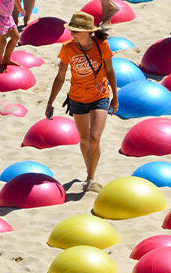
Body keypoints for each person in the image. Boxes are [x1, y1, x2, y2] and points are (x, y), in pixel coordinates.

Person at [45, 12, 119, 193]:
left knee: (94, 138)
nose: (72, 35)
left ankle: (90, 178)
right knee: (85, 139)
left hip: (100, 97)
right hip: (77, 98)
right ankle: (89, 172)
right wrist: (50, 102)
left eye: (76, 31)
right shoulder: (67, 48)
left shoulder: (102, 45)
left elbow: (110, 71)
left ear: (88, 32)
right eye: (72, 31)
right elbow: (60, 77)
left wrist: (115, 97)